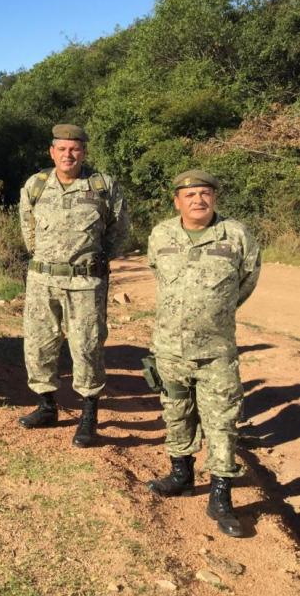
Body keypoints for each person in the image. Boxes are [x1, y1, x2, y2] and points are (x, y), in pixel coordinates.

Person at [146, 170, 260, 538]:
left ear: (215, 197)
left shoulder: (237, 235)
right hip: (169, 348)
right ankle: (181, 473)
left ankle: (221, 495)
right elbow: (157, 275)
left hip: (216, 351)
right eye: (191, 194)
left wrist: (217, 311)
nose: (199, 200)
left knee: (222, 421)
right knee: (176, 411)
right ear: (177, 200)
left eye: (206, 193)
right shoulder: (161, 234)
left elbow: (247, 281)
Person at [18, 124, 128, 446]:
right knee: (39, 345)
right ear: (52, 151)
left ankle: (88, 415)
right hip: (42, 281)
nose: (68, 154)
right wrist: (49, 261)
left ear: (84, 152)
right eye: (62, 149)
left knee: (88, 347)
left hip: (85, 282)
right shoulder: (35, 186)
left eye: (75, 148)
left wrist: (94, 262)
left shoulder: (103, 186)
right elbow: (29, 231)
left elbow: (119, 232)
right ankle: (46, 405)